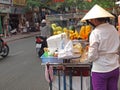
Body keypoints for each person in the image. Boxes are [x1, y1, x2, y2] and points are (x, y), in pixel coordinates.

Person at [81, 4, 120, 90]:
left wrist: (88, 58)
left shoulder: (95, 33)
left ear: (94, 20)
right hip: (114, 67)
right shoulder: (113, 29)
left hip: (100, 69)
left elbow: (92, 55)